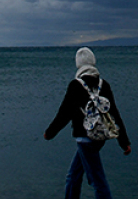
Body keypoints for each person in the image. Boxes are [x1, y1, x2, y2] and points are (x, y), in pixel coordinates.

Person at [44, 47, 132, 199]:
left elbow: (64, 114)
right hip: (100, 137)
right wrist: (124, 142)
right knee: (73, 176)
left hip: (84, 139)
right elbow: (114, 114)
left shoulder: (75, 85)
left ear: (78, 64)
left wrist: (50, 133)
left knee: (98, 181)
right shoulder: (103, 85)